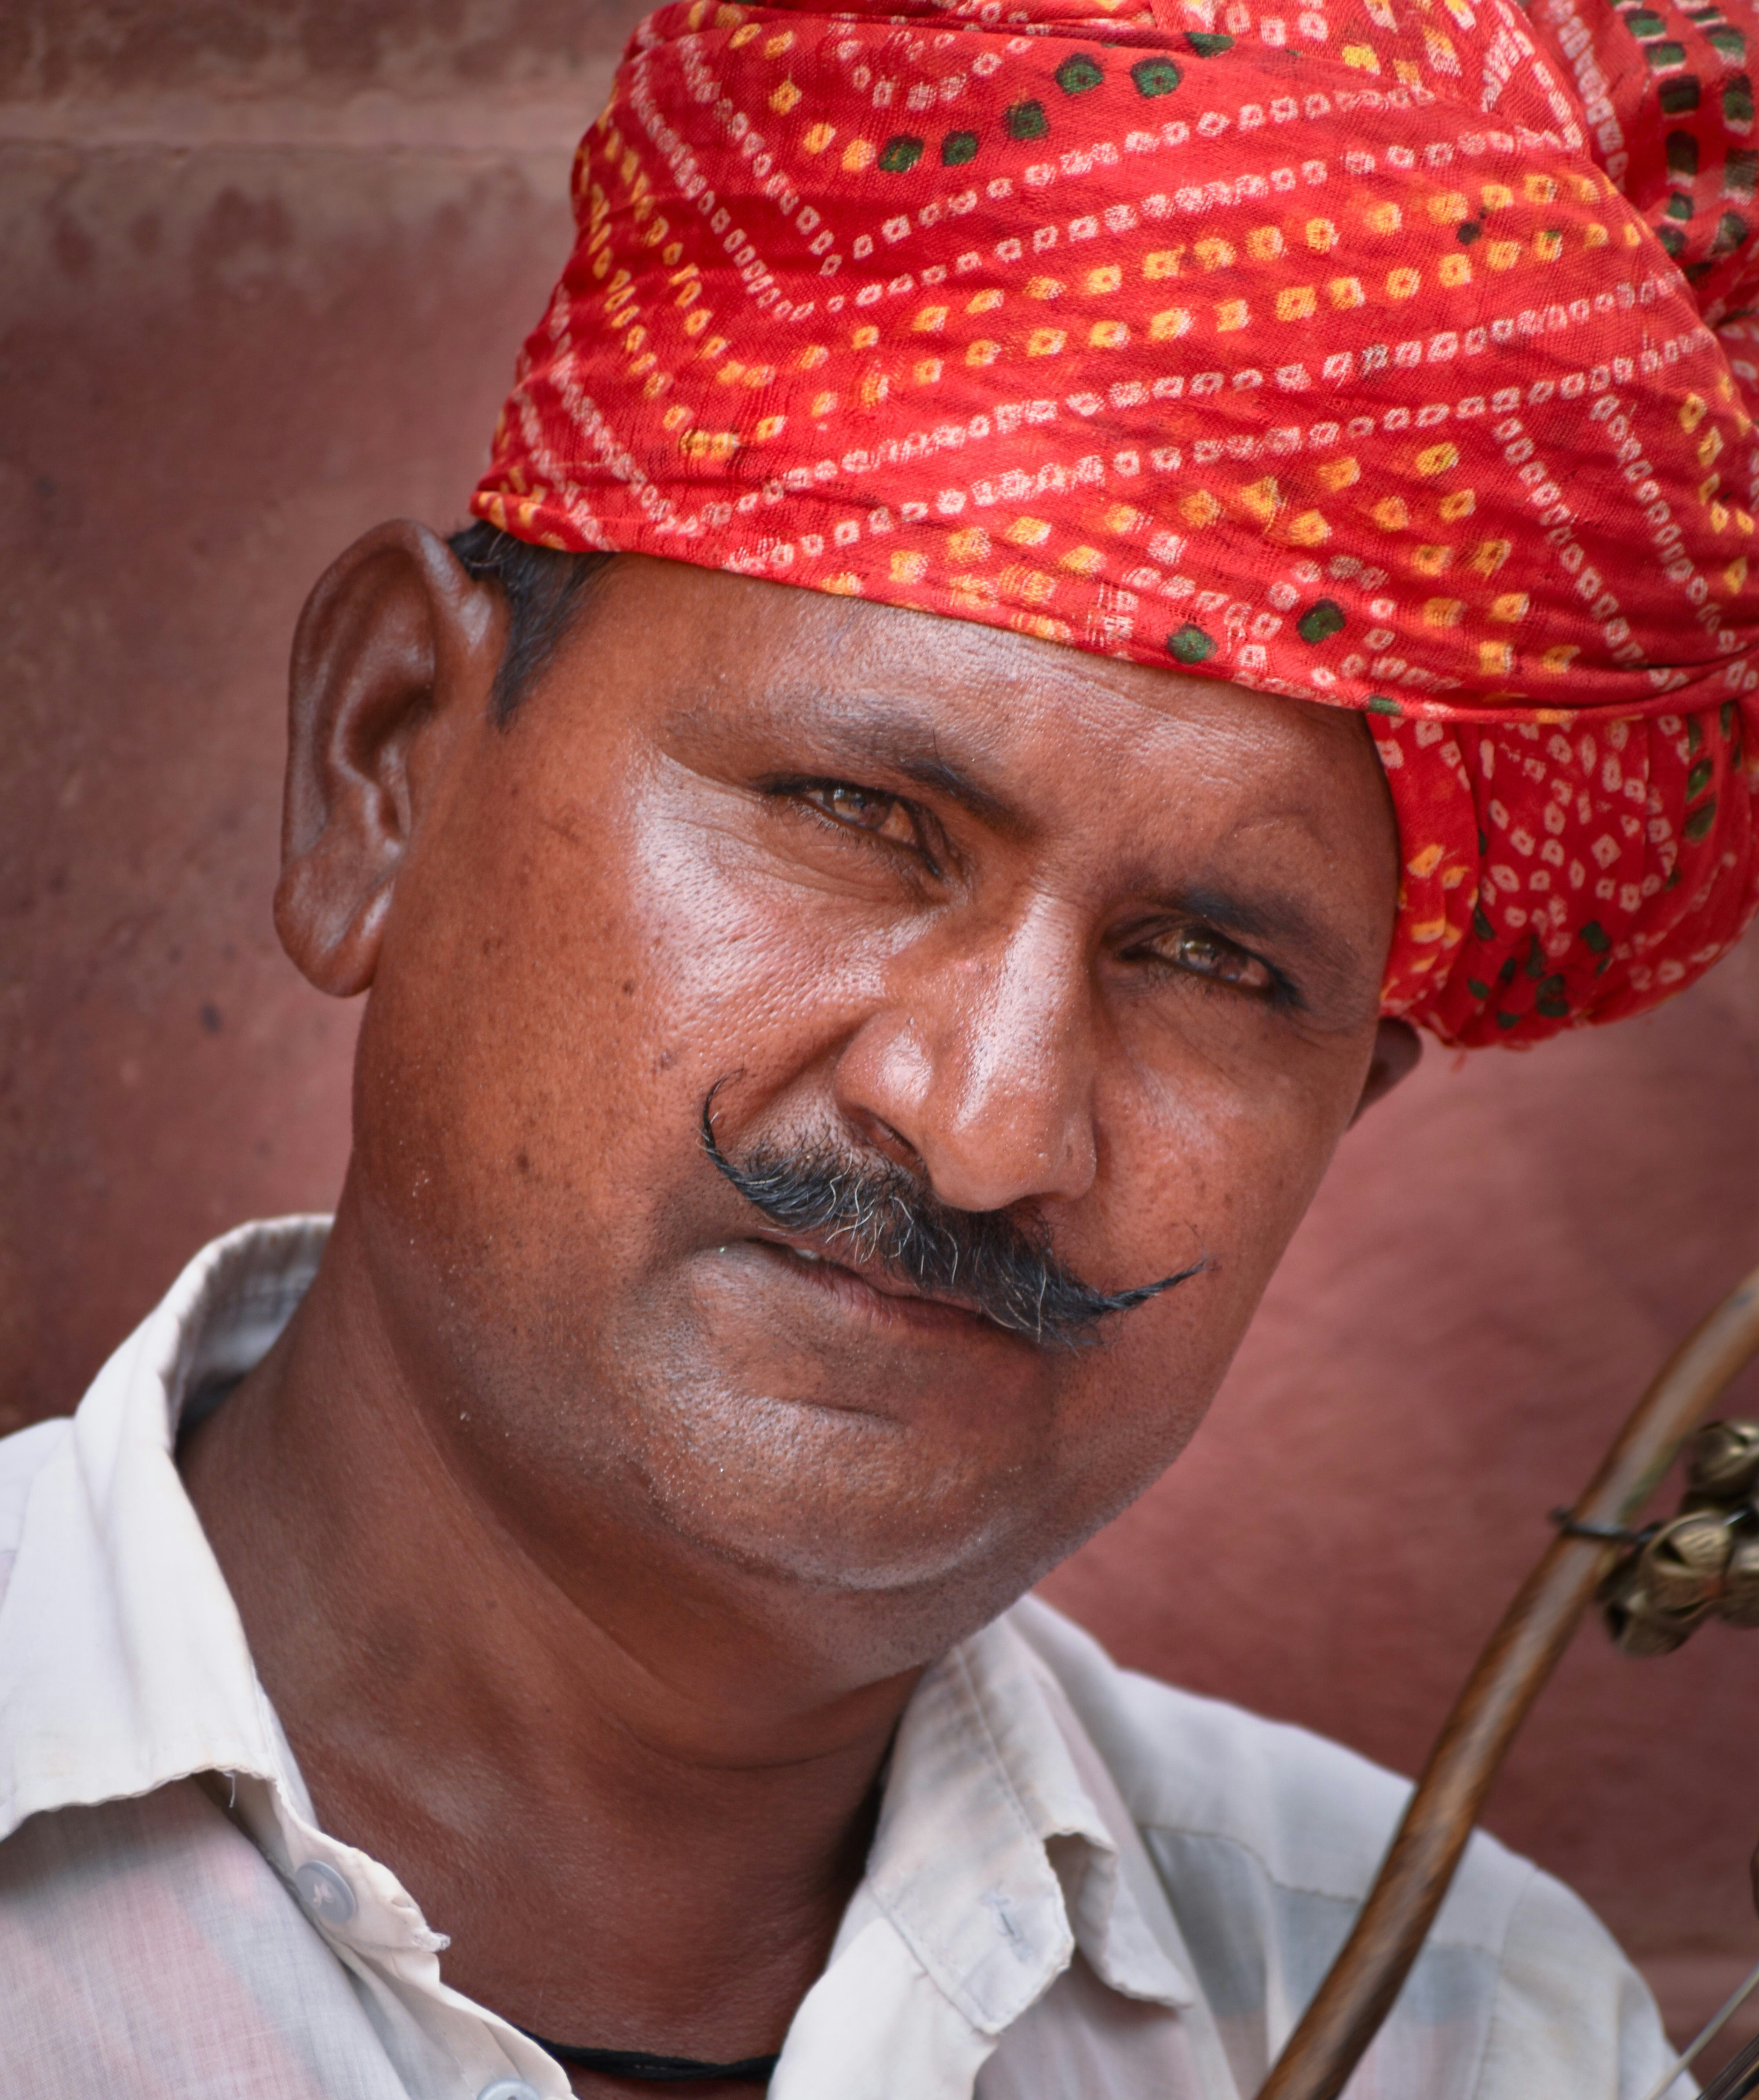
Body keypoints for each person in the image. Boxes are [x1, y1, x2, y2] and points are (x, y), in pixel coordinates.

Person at [2, 0, 1755, 2092]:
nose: (991, 1122)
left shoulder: (1471, 2036)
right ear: (384, 766)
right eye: (857, 819)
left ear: (1340, 1112)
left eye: (1209, 961)